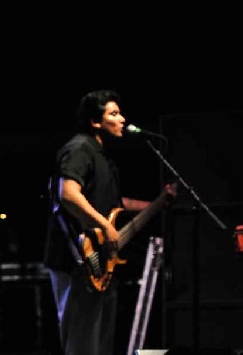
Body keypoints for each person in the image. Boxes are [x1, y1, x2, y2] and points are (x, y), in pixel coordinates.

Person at [43, 90, 176, 355]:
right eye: (113, 114)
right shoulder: (80, 148)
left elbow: (116, 203)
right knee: (82, 343)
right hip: (77, 259)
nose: (122, 119)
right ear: (95, 121)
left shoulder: (104, 156)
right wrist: (105, 226)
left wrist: (159, 203)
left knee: (100, 343)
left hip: (102, 261)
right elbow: (68, 194)